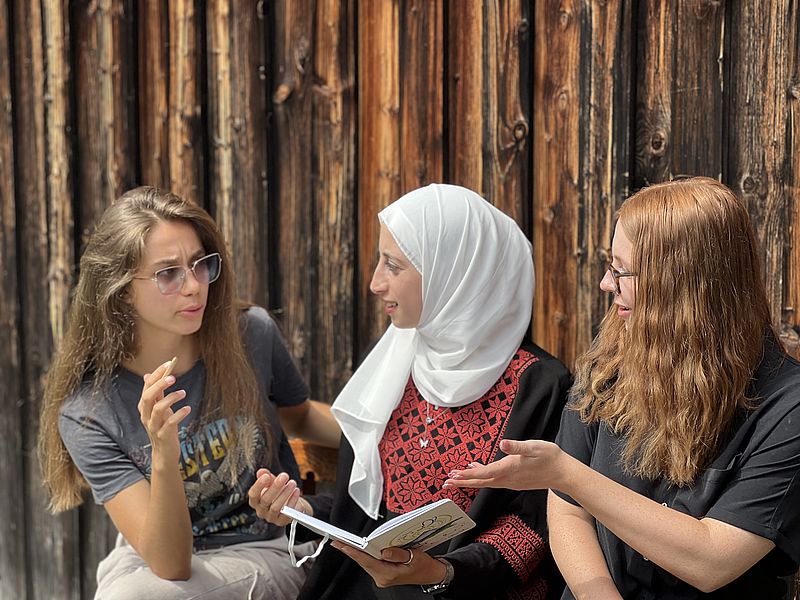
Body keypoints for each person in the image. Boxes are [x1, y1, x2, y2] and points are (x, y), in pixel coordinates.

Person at [445, 177, 800, 599]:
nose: (605, 283)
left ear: (682, 284)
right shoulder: (611, 357)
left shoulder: (786, 405)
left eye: (621, 270)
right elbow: (567, 509)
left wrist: (567, 474)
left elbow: (712, 559)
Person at [249, 183, 573, 599]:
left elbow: (530, 533)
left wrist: (440, 573)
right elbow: (367, 510)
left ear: (453, 272)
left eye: (393, 265)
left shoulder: (539, 385)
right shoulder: (397, 359)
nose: (375, 283)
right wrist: (300, 510)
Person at [38, 186, 340, 600]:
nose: (194, 286)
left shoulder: (250, 335)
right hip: (152, 557)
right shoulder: (88, 411)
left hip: (263, 547)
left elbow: (300, 417)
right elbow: (171, 563)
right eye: (168, 274)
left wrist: (394, 436)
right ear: (123, 289)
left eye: (200, 265)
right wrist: (163, 451)